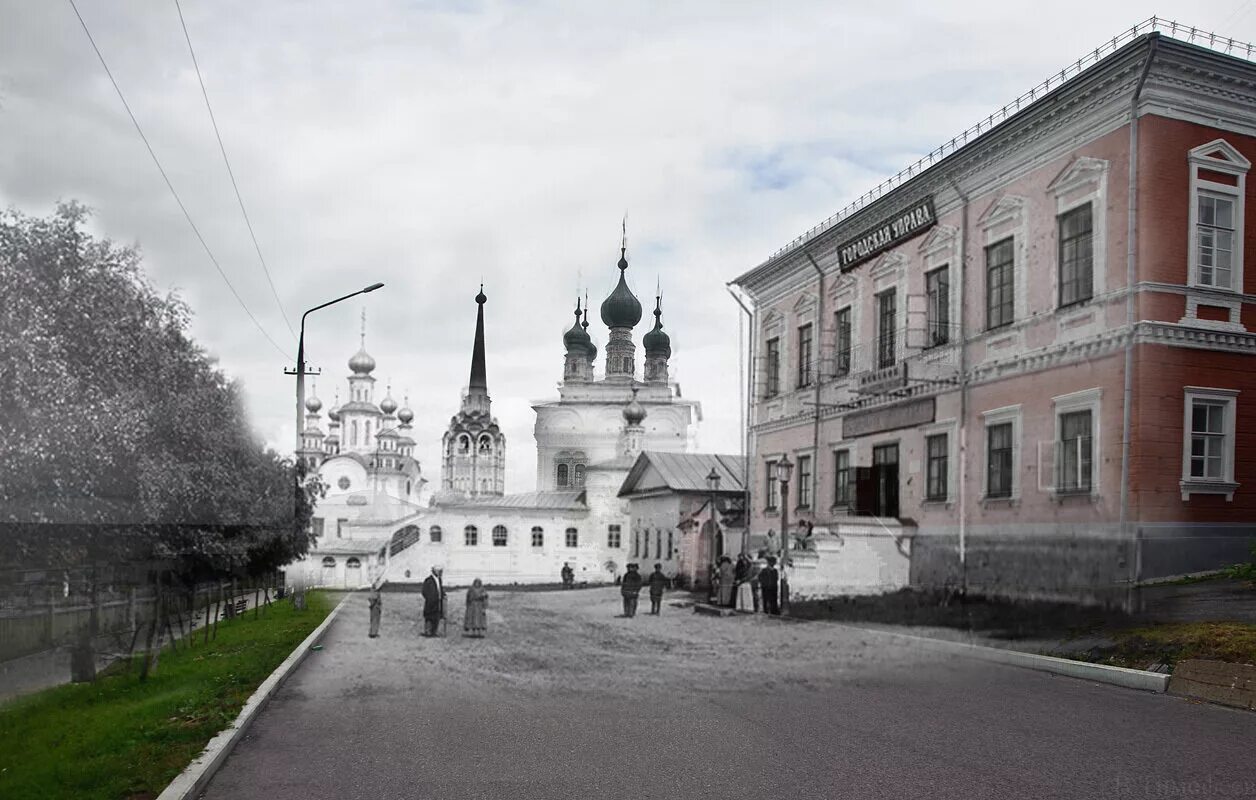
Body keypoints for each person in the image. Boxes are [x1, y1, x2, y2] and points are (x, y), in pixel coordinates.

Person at [420, 565, 446, 637]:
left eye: (441, 571)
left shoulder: (439, 579)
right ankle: (428, 632)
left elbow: (440, 589)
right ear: (434, 571)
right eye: (439, 571)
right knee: (429, 617)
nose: (440, 573)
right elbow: (424, 591)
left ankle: (434, 632)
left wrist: (443, 594)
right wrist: (429, 598)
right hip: (430, 602)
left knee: (436, 617)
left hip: (438, 602)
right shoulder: (428, 580)